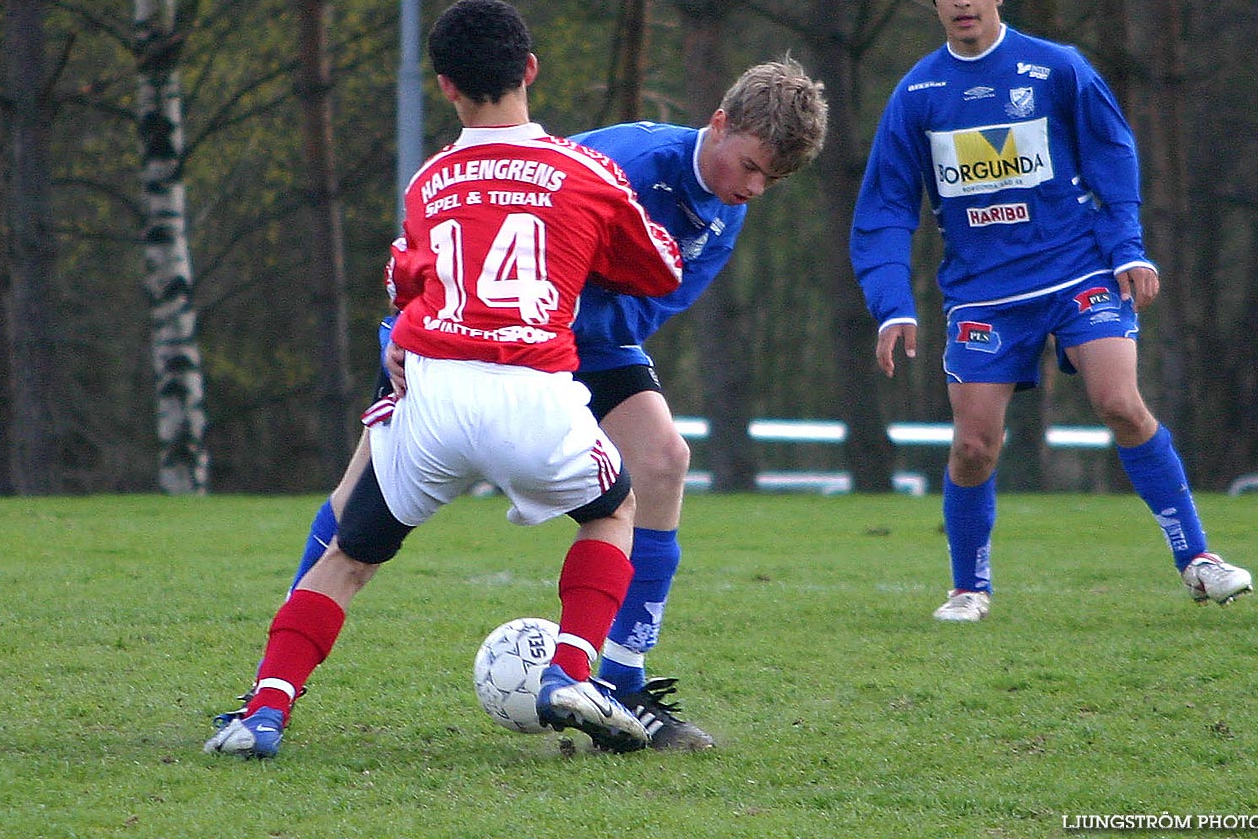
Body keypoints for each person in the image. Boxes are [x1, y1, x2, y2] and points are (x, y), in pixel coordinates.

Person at [215, 57, 829, 750]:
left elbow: (648, 309)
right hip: (493, 335)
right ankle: (270, 685)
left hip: (579, 341)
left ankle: (622, 682)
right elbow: (475, 231)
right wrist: (403, 334)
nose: (752, 187)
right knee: (353, 492)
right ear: (717, 125)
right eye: (749, 165)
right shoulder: (617, 158)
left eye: (769, 180)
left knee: (663, 460)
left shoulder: (725, 216)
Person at [204, 0, 683, 758]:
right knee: (614, 511)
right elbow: (656, 267)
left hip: (434, 393)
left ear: (444, 86)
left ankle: (262, 713)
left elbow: (404, 281)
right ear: (529, 68)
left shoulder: (428, 181)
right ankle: (569, 672)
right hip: (532, 390)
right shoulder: (581, 169)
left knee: (348, 557)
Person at [850, 0, 1252, 623]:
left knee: (1119, 405)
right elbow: (885, 205)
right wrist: (891, 302)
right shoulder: (917, 95)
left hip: (1076, 274)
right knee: (973, 446)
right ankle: (968, 588)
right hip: (982, 294)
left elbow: (1111, 154)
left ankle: (1197, 559)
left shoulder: (1056, 68)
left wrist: (1126, 246)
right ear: (935, 0)